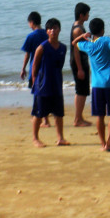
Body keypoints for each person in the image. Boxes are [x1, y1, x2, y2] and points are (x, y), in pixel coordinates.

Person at [73, 17, 110, 152]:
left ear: (91, 31)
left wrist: (82, 36)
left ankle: (103, 144)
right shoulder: (106, 41)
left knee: (99, 116)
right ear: (103, 29)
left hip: (96, 85)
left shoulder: (89, 45)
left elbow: (74, 43)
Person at [30, 18, 69, 147]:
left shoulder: (63, 48)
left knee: (58, 114)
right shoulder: (42, 47)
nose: (53, 30)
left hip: (56, 85)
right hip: (42, 86)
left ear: (59, 30)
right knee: (39, 113)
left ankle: (60, 138)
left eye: (55, 28)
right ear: (47, 31)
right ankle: (35, 138)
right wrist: (36, 84)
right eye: (50, 28)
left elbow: (60, 66)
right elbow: (35, 67)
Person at [21, 11, 50, 128]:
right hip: (46, 68)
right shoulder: (47, 33)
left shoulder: (31, 36)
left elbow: (27, 55)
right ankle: (44, 118)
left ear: (31, 23)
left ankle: (44, 120)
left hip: (35, 68)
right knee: (44, 93)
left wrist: (23, 68)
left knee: (37, 94)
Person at [69, 2, 92, 127]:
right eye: (87, 14)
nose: (88, 16)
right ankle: (77, 119)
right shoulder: (78, 29)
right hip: (79, 62)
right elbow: (76, 50)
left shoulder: (78, 26)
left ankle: (79, 117)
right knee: (81, 91)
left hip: (81, 61)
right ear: (81, 15)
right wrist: (80, 69)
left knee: (82, 90)